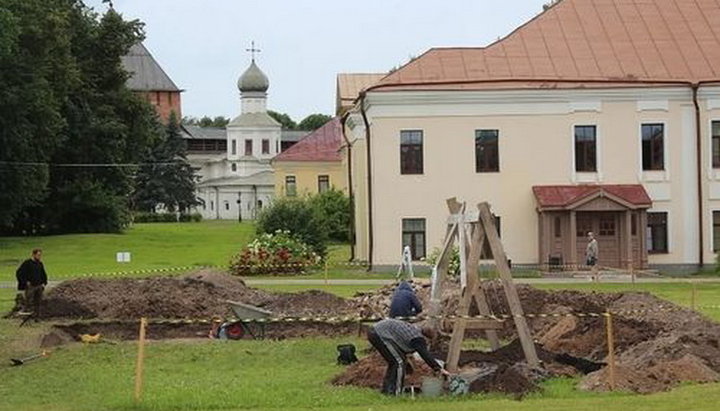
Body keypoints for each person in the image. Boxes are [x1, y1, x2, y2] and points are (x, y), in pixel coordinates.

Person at [367, 318, 449, 395]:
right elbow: (425, 355)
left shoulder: (414, 331)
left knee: (394, 362)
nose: (427, 345)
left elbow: (402, 350)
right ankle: (396, 392)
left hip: (376, 331)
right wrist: (438, 368)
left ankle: (387, 390)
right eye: (428, 342)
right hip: (379, 333)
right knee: (399, 362)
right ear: (427, 338)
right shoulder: (418, 339)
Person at [15, 248, 48, 316]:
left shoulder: (40, 263)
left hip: (39, 286)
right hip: (31, 287)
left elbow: (43, 274)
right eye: (38, 255)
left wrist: (44, 283)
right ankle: (28, 317)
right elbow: (19, 273)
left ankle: (37, 316)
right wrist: (25, 282)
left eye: (40, 255)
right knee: (29, 302)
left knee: (38, 302)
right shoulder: (27, 263)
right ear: (33, 254)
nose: (39, 257)